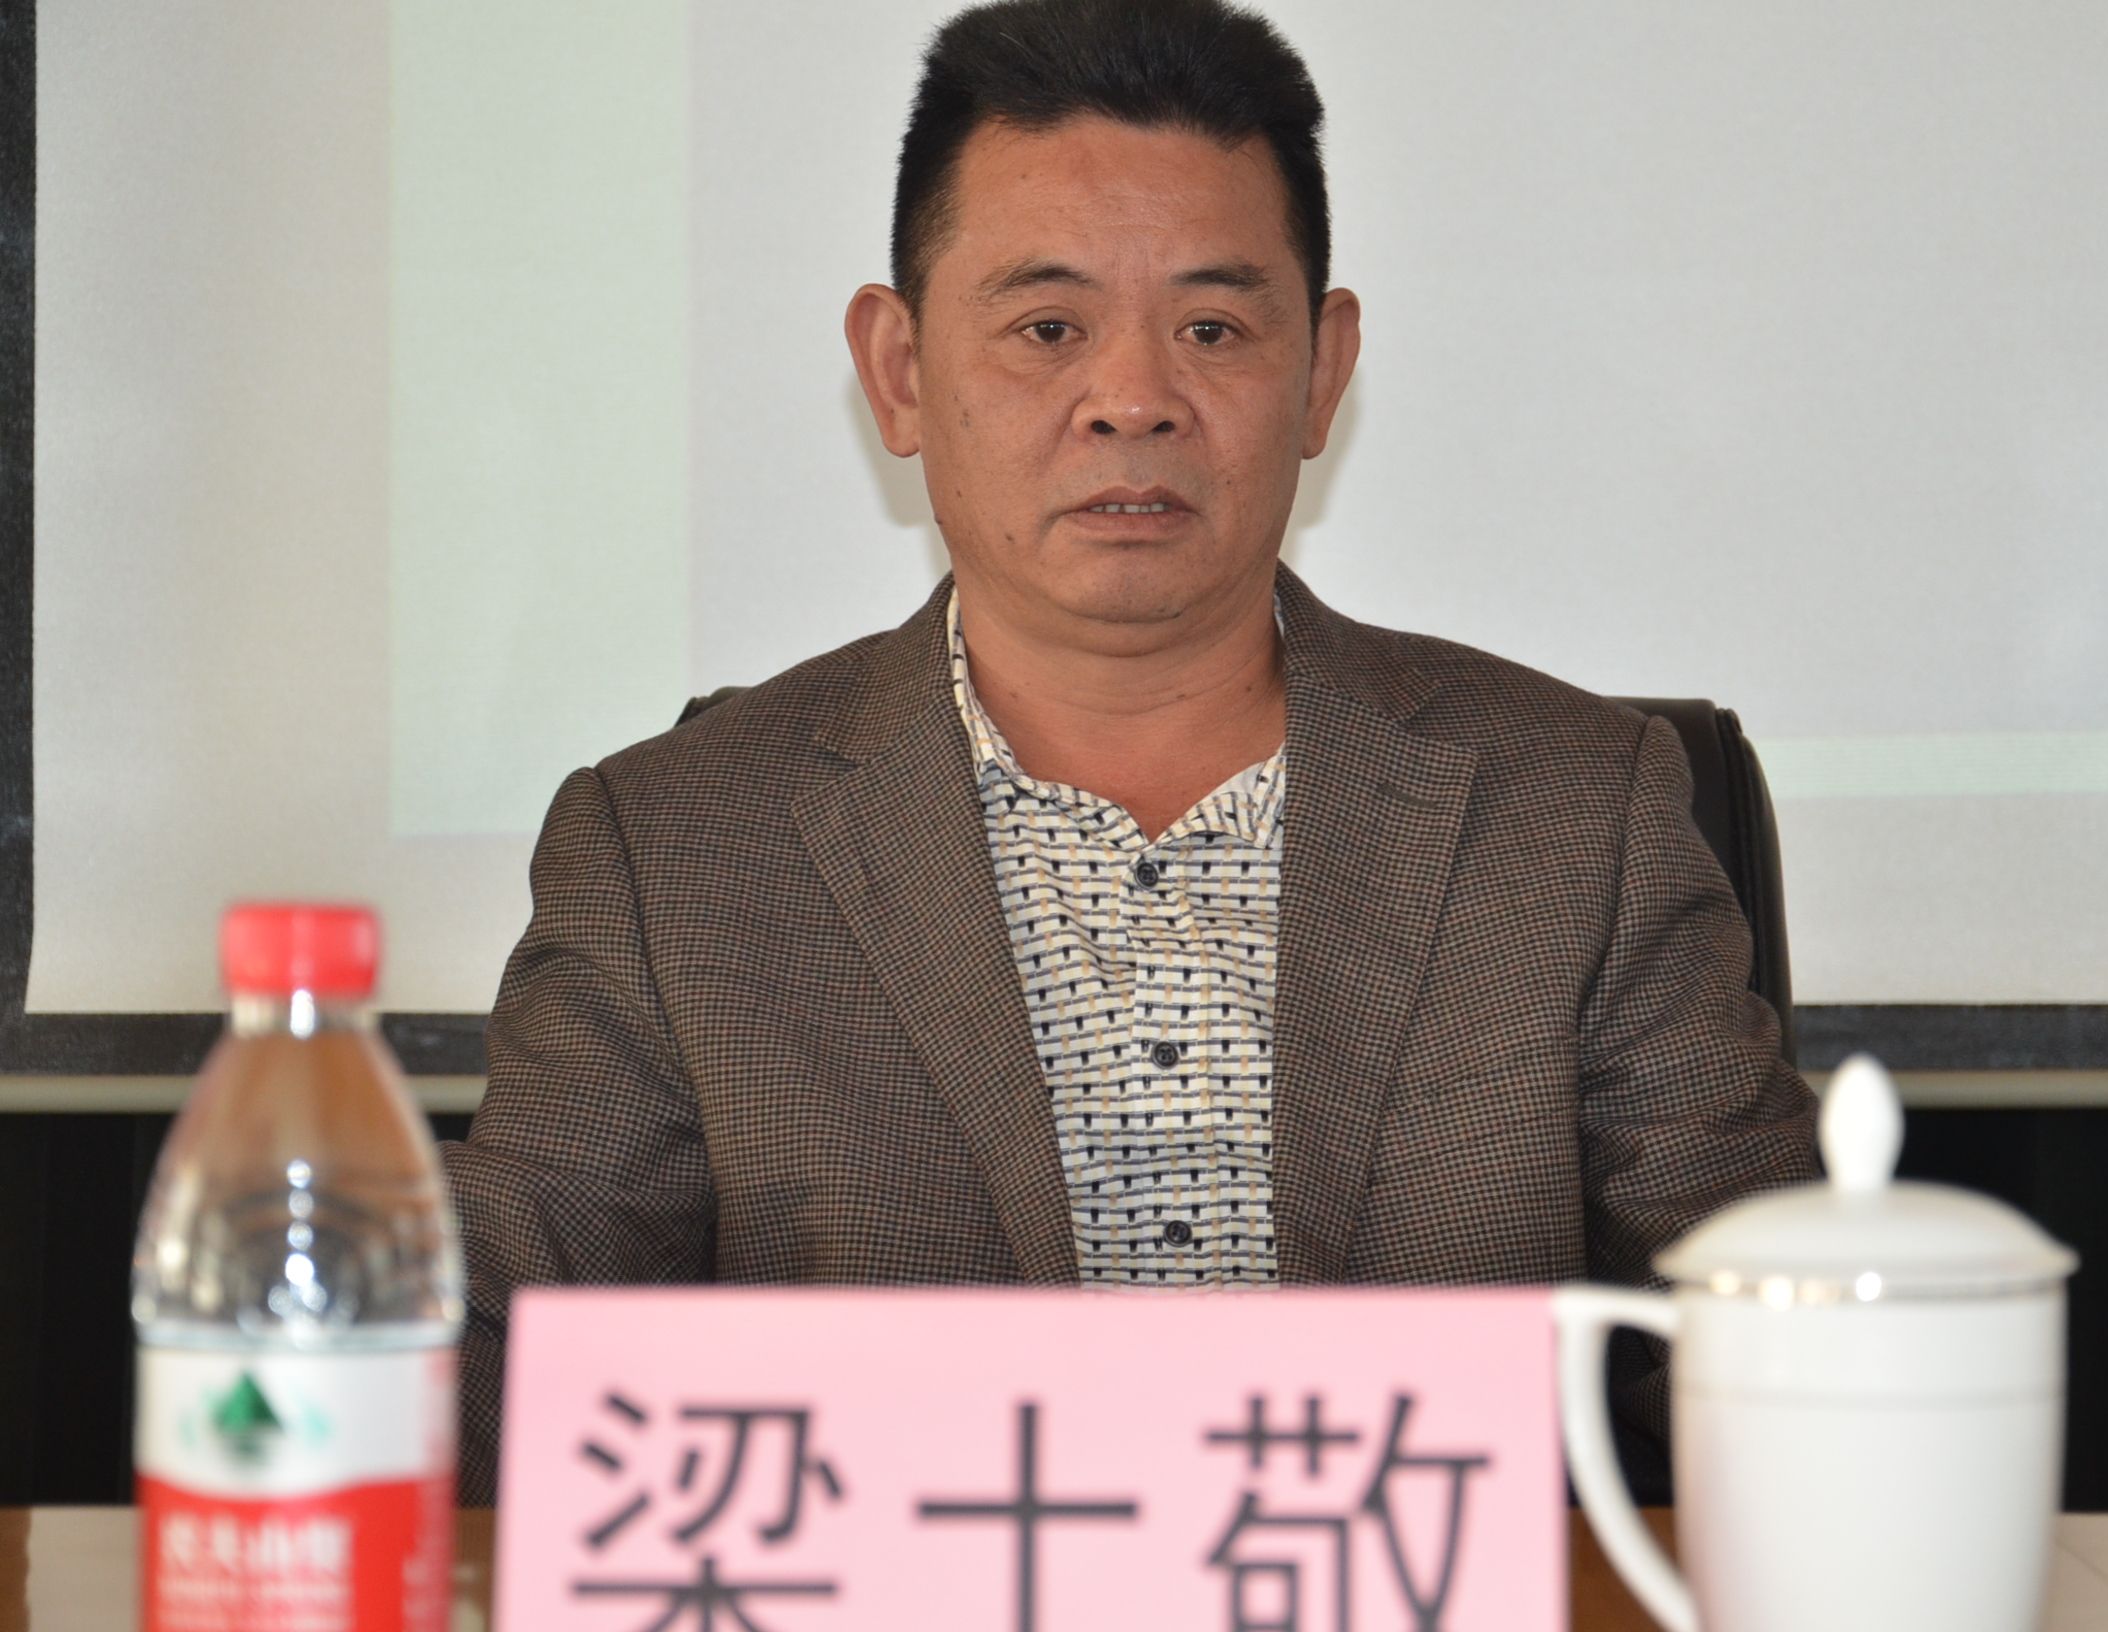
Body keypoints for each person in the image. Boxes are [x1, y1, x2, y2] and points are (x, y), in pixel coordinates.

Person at [441, 0, 1817, 1506]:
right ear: (900, 370)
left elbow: (1785, 1353)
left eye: (1213, 329)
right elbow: (495, 1379)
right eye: (1048, 329)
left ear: (1322, 371)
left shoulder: (1570, 811)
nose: (1135, 400)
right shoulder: (678, 853)